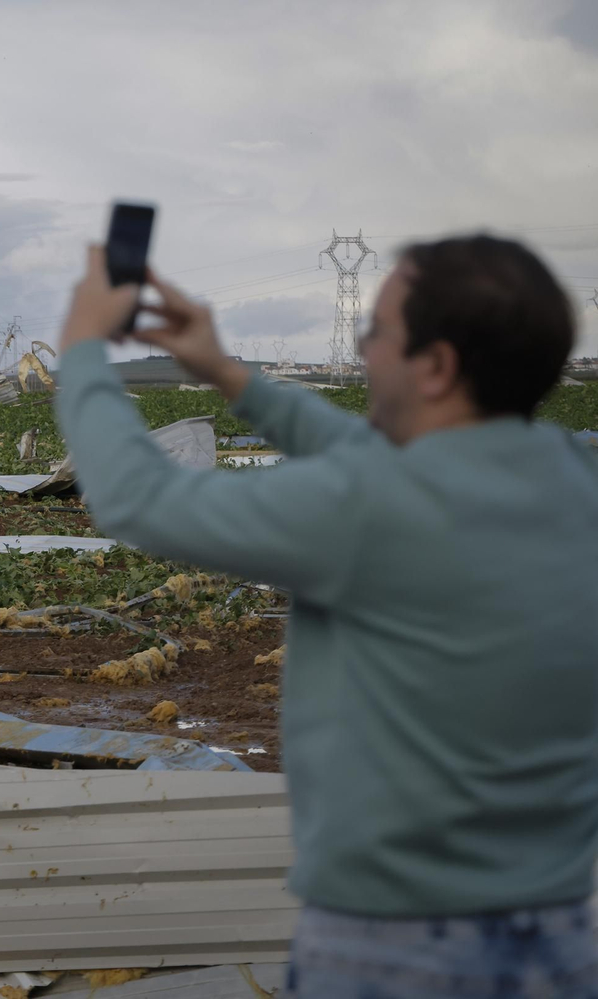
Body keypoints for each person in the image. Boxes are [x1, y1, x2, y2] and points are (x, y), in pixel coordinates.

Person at [53, 234, 598, 998]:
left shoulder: (372, 506)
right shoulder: (569, 473)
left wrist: (81, 351)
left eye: (376, 333)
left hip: (395, 949)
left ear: (436, 366)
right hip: (561, 934)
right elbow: (378, 457)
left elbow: (138, 497)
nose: (363, 348)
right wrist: (225, 371)